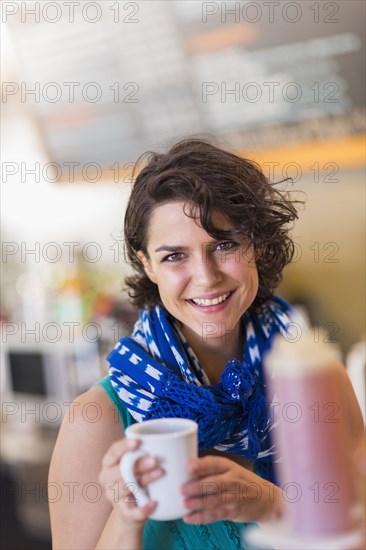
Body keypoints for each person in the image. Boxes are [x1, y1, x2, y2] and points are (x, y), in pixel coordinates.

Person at [49, 138, 364, 550]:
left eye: (225, 245)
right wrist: (127, 518)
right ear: (147, 265)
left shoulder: (317, 380)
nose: (206, 276)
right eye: (174, 256)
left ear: (259, 245)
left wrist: (270, 504)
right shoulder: (97, 419)